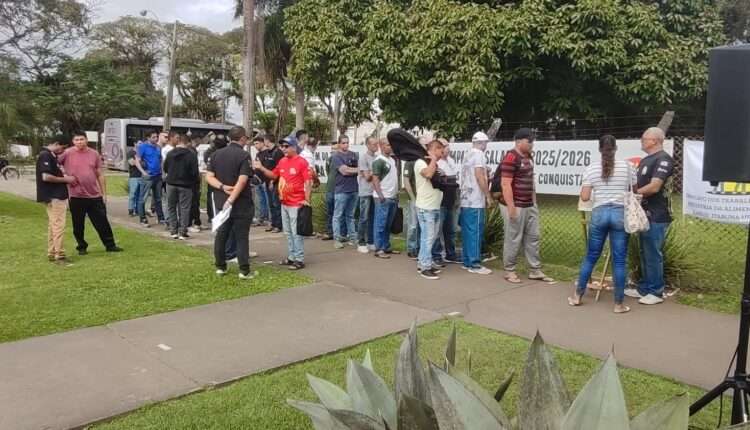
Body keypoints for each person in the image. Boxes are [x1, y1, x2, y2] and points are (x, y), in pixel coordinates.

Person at [569, 135, 636, 314]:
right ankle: (618, 304)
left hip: (599, 213)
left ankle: (577, 296)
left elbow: (584, 197)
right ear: (616, 148)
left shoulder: (591, 168)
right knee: (619, 260)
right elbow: (634, 191)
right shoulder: (628, 167)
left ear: (599, 149)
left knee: (591, 256)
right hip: (620, 214)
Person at [625, 127, 675, 305]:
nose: (641, 140)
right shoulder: (646, 160)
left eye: (644, 138)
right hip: (643, 213)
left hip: (657, 214)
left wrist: (633, 195)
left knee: (653, 252)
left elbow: (654, 187)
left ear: (654, 140)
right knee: (644, 251)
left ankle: (656, 291)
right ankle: (644, 288)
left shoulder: (663, 159)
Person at [499, 128, 552, 283]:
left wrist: (534, 202)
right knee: (513, 238)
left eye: (532, 141)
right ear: (519, 141)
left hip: (529, 205)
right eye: (529, 141)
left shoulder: (528, 157)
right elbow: (505, 184)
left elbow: (531, 181)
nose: (532, 144)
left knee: (533, 237)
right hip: (516, 205)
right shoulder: (511, 157)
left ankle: (535, 270)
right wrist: (511, 207)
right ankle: (509, 270)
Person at [58, 132, 122, 255]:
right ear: (73, 141)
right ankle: (81, 247)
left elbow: (100, 174)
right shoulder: (67, 153)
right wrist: (65, 176)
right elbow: (55, 165)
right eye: (76, 140)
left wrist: (104, 194)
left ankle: (110, 245)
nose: (79, 142)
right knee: (78, 224)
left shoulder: (94, 154)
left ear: (86, 140)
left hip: (94, 195)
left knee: (102, 222)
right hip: (76, 196)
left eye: (81, 139)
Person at [254, 135, 312, 270]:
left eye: (286, 146)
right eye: (281, 146)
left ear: (294, 147)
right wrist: (261, 168)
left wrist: (307, 200)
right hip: (284, 202)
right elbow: (274, 175)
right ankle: (292, 257)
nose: (283, 149)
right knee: (288, 232)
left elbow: (308, 181)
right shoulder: (282, 161)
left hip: (297, 203)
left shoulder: (301, 162)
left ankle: (299, 259)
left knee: (296, 232)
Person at [205, 126, 256, 279]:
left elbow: (209, 177)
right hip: (241, 203)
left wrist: (222, 187)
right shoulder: (244, 155)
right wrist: (232, 198)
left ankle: (220, 266)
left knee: (222, 235)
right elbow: (242, 180)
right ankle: (244, 270)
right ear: (242, 138)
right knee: (241, 236)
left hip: (221, 201)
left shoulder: (216, 154)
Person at [36, 136, 76, 264]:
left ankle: (52, 252)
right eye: (63, 148)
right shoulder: (45, 155)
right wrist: (66, 179)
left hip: (54, 195)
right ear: (57, 144)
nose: (63, 151)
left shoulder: (51, 156)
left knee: (53, 225)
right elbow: (46, 177)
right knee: (59, 225)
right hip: (55, 195)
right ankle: (60, 255)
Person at [459, 132, 494, 275]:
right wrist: (488, 196)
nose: (486, 146)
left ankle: (467, 261)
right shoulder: (479, 155)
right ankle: (474, 264)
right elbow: (479, 176)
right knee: (475, 232)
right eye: (486, 143)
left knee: (467, 231)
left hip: (465, 199)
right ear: (482, 143)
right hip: (475, 199)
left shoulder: (468, 154)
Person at [415, 140, 445, 280]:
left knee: (429, 237)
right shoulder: (421, 162)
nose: (442, 152)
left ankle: (423, 262)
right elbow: (428, 174)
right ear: (434, 149)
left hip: (434, 206)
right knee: (428, 238)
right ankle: (425, 268)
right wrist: (433, 160)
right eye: (440, 150)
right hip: (426, 207)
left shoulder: (433, 163)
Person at [164, 133, 200, 240]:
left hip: (171, 183)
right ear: (187, 142)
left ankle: (173, 231)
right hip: (185, 185)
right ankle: (183, 232)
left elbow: (165, 168)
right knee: (184, 208)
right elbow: (195, 172)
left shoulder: (170, 153)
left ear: (179, 141)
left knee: (171, 207)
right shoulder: (191, 155)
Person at [432, 139, 461, 265]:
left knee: (451, 229)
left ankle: (450, 254)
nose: (447, 148)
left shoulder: (451, 161)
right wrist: (443, 177)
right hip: (440, 200)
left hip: (452, 198)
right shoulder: (435, 163)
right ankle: (436, 255)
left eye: (448, 146)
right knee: (437, 230)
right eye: (444, 146)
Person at [371, 138, 399, 259]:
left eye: (391, 145)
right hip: (382, 198)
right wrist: (380, 195)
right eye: (388, 145)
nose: (390, 147)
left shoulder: (392, 160)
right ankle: (379, 249)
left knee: (388, 224)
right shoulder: (379, 161)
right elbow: (375, 179)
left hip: (392, 196)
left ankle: (386, 246)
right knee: (380, 224)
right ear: (381, 146)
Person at [331, 135, 359, 249]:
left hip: (353, 189)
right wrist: (358, 170)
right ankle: (337, 239)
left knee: (350, 215)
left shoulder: (353, 155)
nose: (346, 145)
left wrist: (353, 170)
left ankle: (353, 237)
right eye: (343, 143)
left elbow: (353, 169)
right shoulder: (336, 156)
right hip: (341, 190)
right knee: (337, 216)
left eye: (347, 142)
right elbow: (344, 171)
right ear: (339, 144)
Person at [135, 129, 166, 228]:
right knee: (143, 198)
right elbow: (137, 160)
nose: (156, 139)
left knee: (158, 199)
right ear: (148, 138)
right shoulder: (143, 147)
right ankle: (143, 219)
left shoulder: (158, 147)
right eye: (153, 137)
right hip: (148, 177)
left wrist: (162, 172)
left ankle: (161, 218)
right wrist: (143, 172)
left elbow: (160, 160)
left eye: (156, 136)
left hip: (158, 176)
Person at [357, 136, 378, 253]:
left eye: (377, 144)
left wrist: (372, 171)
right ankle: (361, 242)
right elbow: (367, 177)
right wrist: (375, 171)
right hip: (365, 191)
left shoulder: (377, 157)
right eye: (374, 144)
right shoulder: (363, 158)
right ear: (368, 145)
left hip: (374, 192)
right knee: (363, 217)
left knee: (372, 218)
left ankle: (371, 241)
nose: (376, 146)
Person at [258, 134, 284, 233]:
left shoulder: (278, 152)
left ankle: (279, 225)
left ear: (267, 140)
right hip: (267, 181)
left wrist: (272, 181)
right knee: (271, 204)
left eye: (264, 140)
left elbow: (279, 169)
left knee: (276, 204)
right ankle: (273, 223)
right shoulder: (267, 152)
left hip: (275, 182)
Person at [322, 138, 346, 240]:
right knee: (330, 212)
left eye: (335, 149)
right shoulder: (329, 160)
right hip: (330, 189)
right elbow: (329, 173)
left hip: (340, 190)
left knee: (341, 213)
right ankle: (330, 232)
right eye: (332, 149)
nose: (333, 151)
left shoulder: (343, 159)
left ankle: (342, 234)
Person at [204, 134, 228, 222]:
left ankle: (221, 216)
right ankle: (212, 216)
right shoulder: (210, 153)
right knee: (212, 198)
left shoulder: (227, 152)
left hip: (220, 179)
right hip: (215, 179)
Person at [403, 157, 420, 259]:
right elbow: (406, 182)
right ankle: (411, 248)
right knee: (413, 225)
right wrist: (413, 198)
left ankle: (419, 248)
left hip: (424, 200)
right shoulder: (409, 162)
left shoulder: (424, 160)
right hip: (414, 199)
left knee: (421, 226)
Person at [251, 135, 270, 226]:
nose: (255, 146)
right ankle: (261, 218)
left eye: (257, 143)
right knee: (260, 200)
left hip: (266, 180)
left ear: (263, 143)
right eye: (254, 144)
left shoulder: (268, 153)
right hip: (258, 180)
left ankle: (269, 219)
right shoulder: (258, 154)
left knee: (268, 201)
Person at [126, 144, 142, 216]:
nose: (141, 144)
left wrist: (137, 160)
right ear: (135, 143)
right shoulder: (130, 153)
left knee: (139, 195)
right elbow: (131, 163)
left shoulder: (141, 152)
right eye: (139, 143)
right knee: (132, 194)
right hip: (133, 176)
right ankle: (131, 210)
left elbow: (145, 163)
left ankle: (138, 210)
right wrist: (139, 160)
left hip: (141, 176)